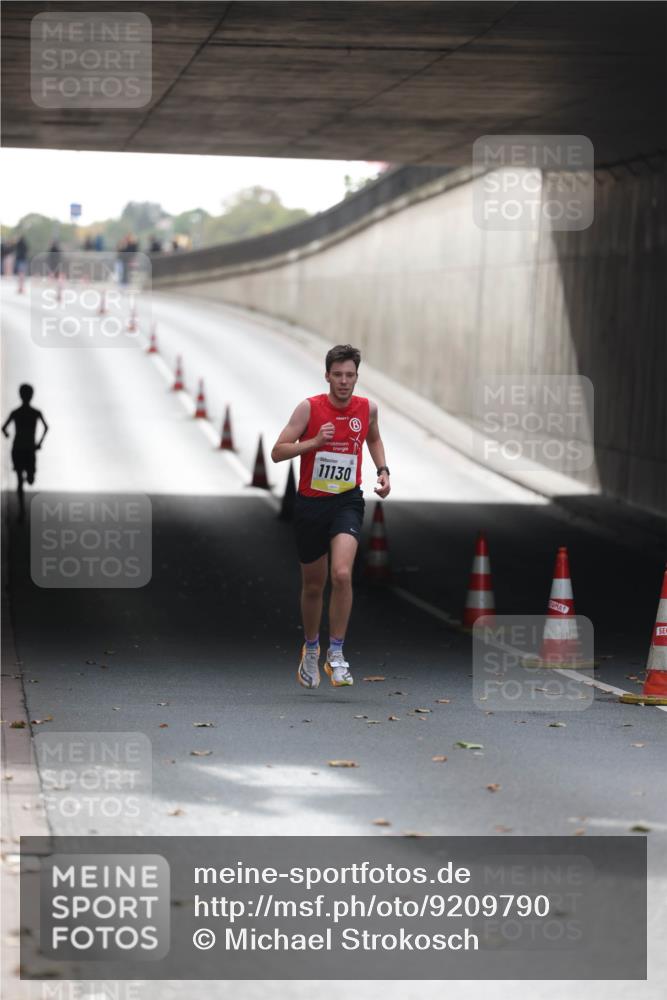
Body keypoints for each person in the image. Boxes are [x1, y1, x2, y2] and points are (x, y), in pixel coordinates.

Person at [271, 344, 391, 689]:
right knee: (313, 585)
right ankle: (311, 649)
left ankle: (336, 654)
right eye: (337, 375)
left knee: (341, 573)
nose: (343, 381)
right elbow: (278, 452)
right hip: (310, 503)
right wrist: (312, 444)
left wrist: (383, 470)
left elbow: (374, 439)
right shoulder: (309, 409)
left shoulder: (367, 409)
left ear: (357, 376)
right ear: (327, 376)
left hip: (347, 501)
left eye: (349, 375)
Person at [2, 384, 49, 522]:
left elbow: (4, 428)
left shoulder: (16, 412)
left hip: (19, 449)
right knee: (26, 479)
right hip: (27, 449)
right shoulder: (35, 412)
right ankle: (22, 510)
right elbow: (46, 427)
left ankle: (22, 507)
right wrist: (39, 442)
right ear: (31, 396)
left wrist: (6, 434)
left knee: (25, 479)